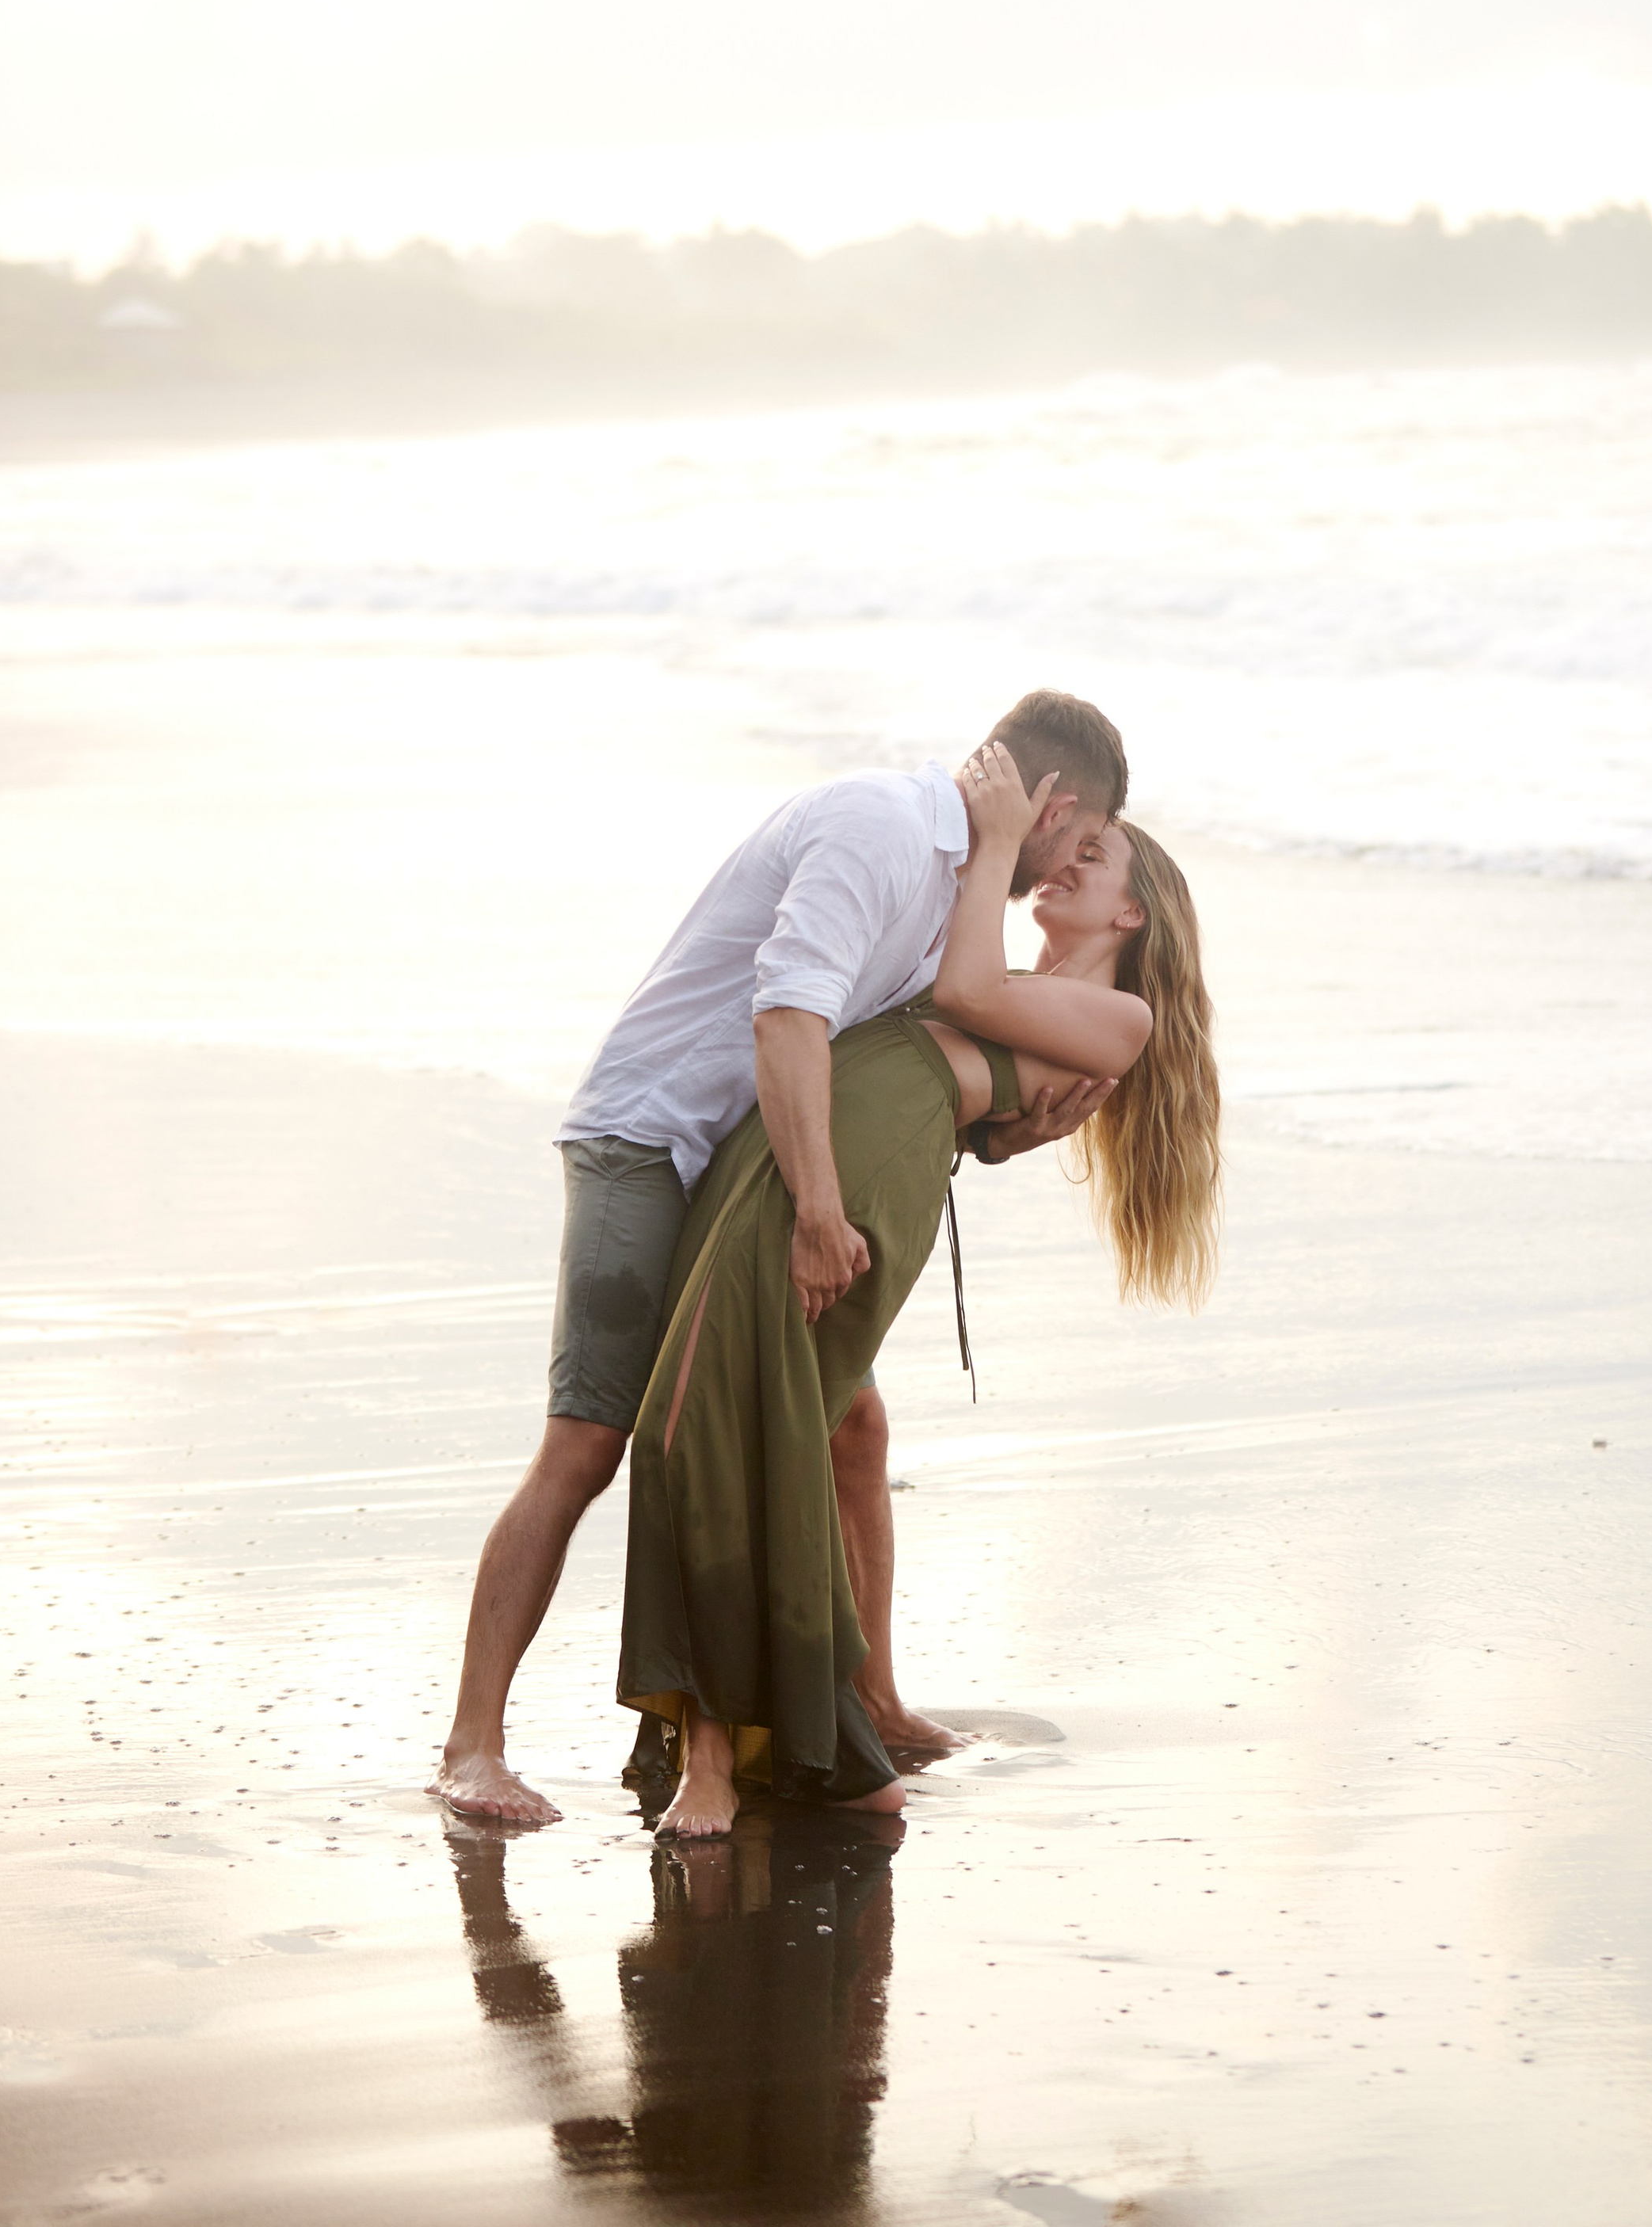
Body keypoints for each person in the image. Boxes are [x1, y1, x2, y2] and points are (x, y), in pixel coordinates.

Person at [430, 692, 1131, 1825]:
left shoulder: (952, 893)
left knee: (853, 1421)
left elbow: (898, 1072)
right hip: (653, 1140)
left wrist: (1011, 1139)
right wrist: (818, 1212)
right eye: (1082, 840)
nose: (1067, 867)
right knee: (591, 1439)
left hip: (739, 1169)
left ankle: (875, 1700)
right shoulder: (882, 831)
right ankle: (472, 1745)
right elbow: (790, 1017)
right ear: (1052, 807)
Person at [620, 738, 1223, 1837]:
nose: (1070, 863)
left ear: (1132, 919)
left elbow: (959, 995)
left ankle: (753, 1752)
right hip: (796, 1154)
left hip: (845, 1182)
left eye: (1096, 857)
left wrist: (997, 843)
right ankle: (833, 1714)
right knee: (754, 1420)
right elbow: (962, 1050)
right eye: (1072, 844)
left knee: (710, 1425)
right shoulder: (1032, 988)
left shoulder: (1118, 1022)